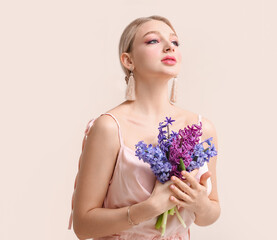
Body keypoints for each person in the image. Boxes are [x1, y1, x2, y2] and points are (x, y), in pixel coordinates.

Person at [67, 15, 221, 240]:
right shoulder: (109, 128)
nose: (169, 47)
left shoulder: (201, 128)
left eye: (175, 42)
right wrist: (149, 209)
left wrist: (199, 203)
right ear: (128, 61)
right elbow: (83, 226)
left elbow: (211, 213)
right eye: (153, 41)